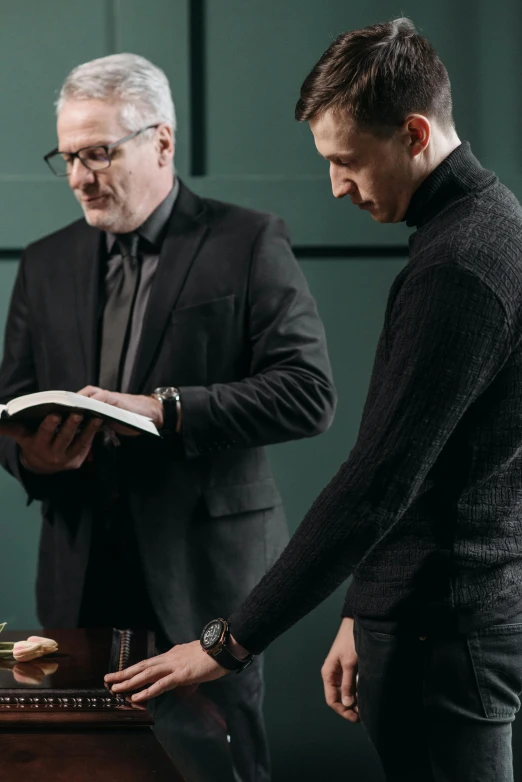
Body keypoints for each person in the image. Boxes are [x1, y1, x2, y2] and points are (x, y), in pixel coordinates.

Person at [107, 18, 522, 782]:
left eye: (348, 162)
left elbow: (378, 483)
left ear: (415, 132)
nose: (336, 185)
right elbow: (432, 471)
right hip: (428, 620)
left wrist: (225, 644)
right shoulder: (473, 233)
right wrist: (366, 606)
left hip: (444, 636)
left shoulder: (461, 264)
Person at [0, 53, 335, 782]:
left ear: (162, 142)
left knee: (221, 770)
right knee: (84, 770)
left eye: (98, 154)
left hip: (209, 576)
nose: (80, 176)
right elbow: (14, 405)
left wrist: (167, 408)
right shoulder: (44, 261)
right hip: (79, 574)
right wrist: (38, 460)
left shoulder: (248, 240)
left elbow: (308, 391)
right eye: (68, 156)